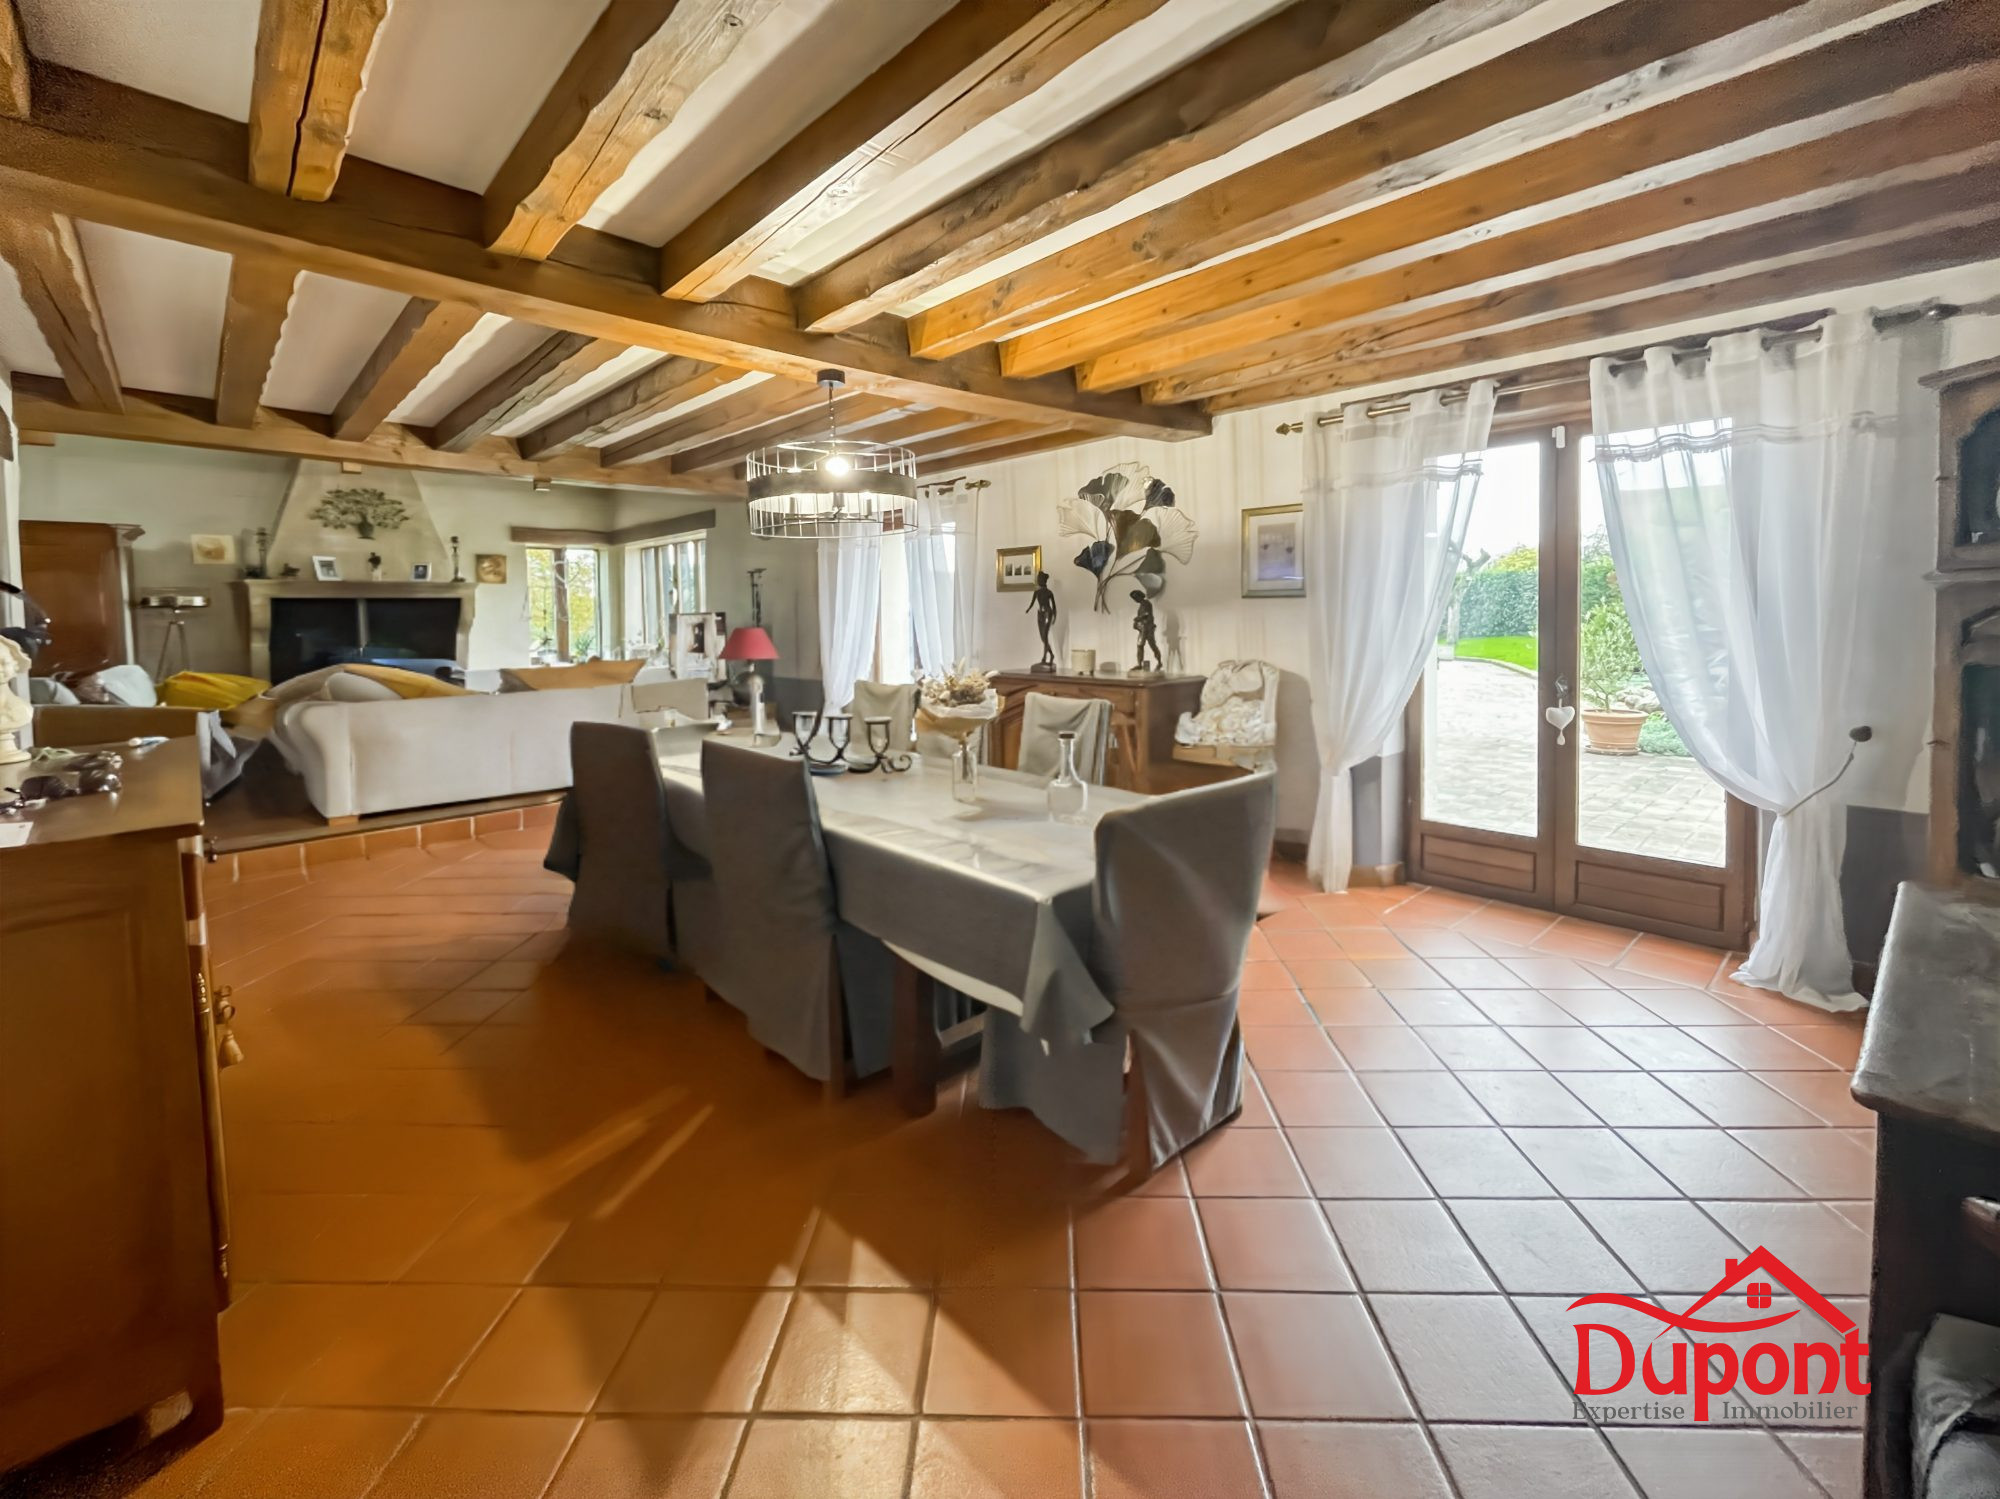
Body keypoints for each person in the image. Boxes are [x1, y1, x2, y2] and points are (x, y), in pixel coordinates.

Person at [1026, 571, 1058, 672]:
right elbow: (1032, 603)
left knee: (1045, 636)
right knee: (1042, 637)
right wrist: (1028, 609)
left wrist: (1054, 617)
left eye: (1039, 579)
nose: (1038, 581)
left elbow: (1054, 606)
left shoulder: (1049, 592)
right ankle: (1051, 654)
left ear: (1043, 581)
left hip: (1048, 613)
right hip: (1040, 614)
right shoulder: (1037, 592)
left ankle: (1045, 657)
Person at [1130, 589, 1162, 674]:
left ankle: (1159, 662)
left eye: (1136, 597)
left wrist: (1138, 619)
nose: (1135, 599)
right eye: (1134, 598)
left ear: (1140, 596)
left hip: (1148, 628)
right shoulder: (1141, 605)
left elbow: (1147, 614)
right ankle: (1139, 664)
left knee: (1152, 646)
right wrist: (1136, 623)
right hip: (1142, 628)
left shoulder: (1146, 603)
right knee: (1140, 646)